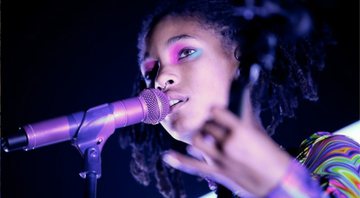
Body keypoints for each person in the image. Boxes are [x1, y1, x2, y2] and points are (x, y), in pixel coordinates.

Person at [119, 0, 360, 197]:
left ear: (242, 61)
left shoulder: (332, 154)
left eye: (185, 52)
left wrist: (279, 186)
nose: (161, 78)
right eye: (150, 72)